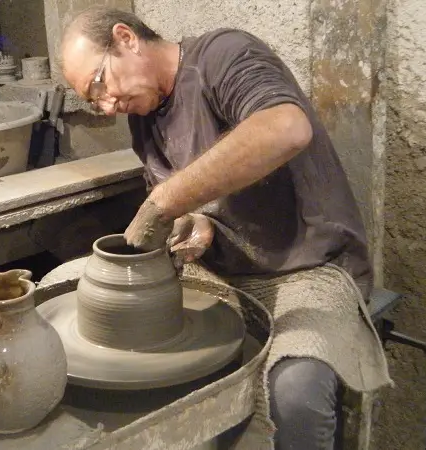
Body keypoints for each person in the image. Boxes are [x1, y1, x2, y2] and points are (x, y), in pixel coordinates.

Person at [60, 7, 392, 450]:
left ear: (126, 39)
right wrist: (197, 222)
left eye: (100, 83)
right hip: (223, 270)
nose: (105, 105)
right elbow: (203, 200)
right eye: (92, 100)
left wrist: (162, 205)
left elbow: (286, 128)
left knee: (296, 394)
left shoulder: (223, 55)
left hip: (305, 268)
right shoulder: (143, 116)